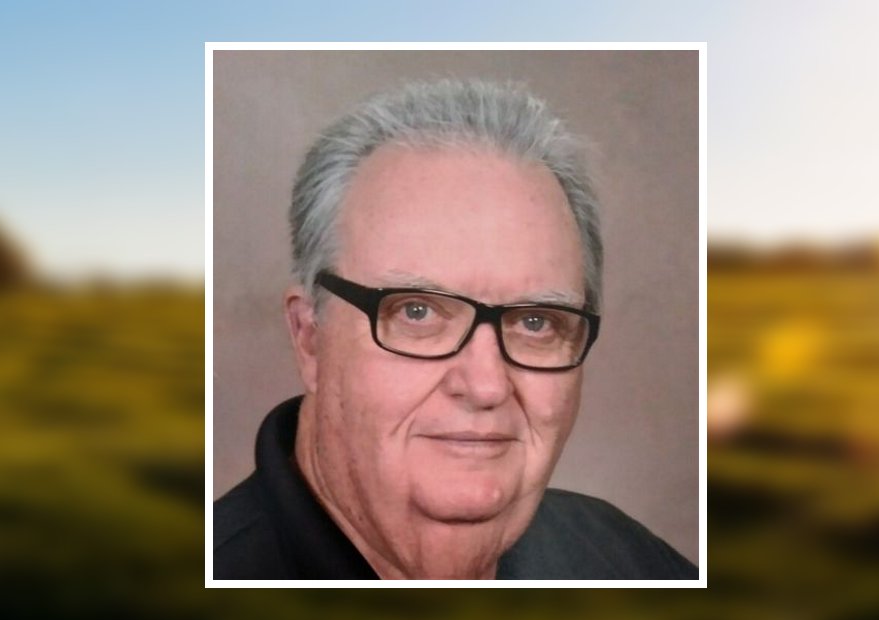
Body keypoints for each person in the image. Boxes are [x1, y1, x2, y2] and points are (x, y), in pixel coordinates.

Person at [214, 79, 697, 580]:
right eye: (416, 312)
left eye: (535, 322)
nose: (486, 386)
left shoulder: (622, 561)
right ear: (309, 336)